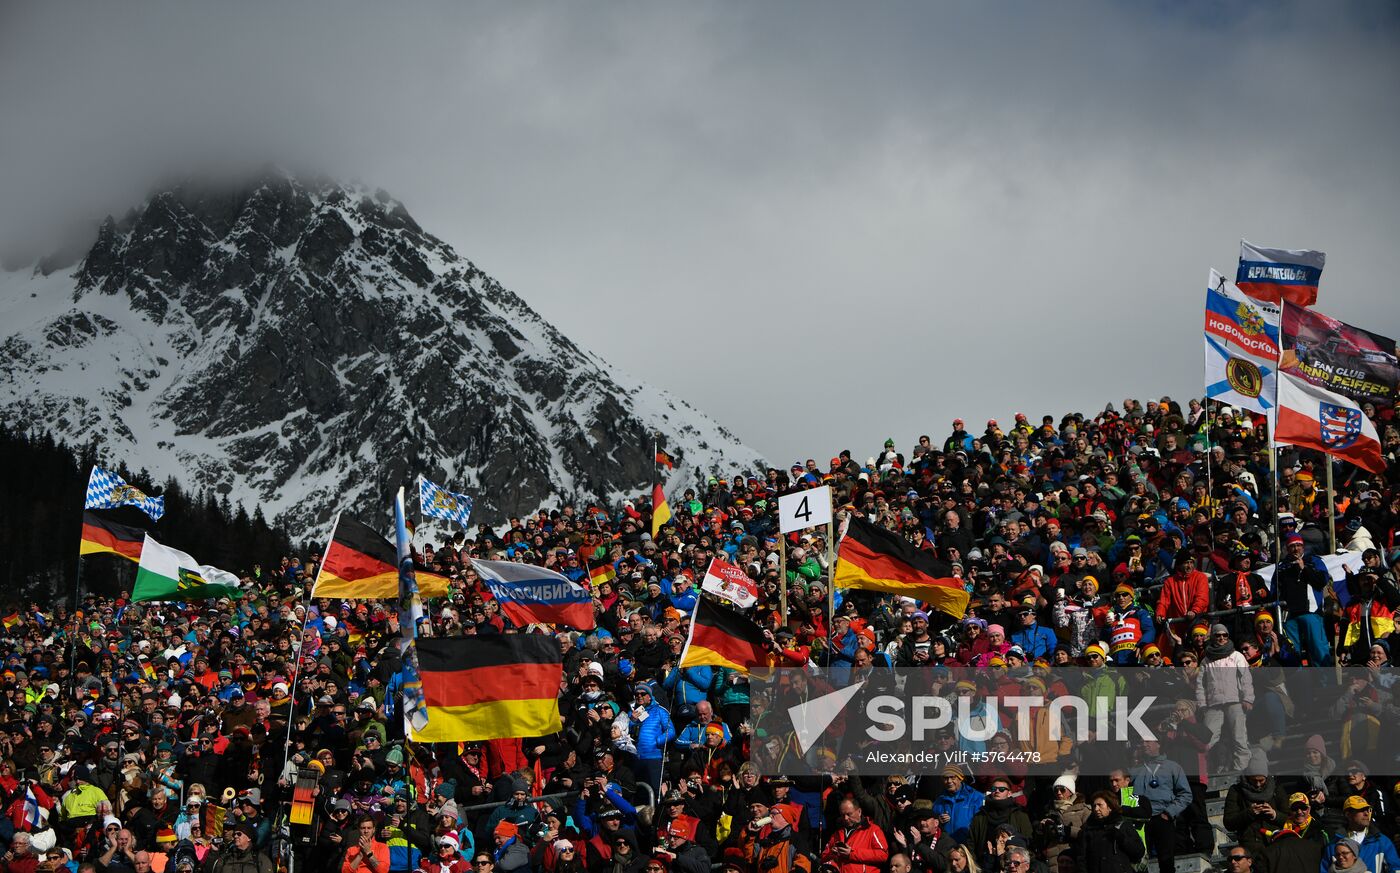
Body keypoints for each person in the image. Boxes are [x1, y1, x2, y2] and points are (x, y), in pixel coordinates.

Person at [1322, 797, 1400, 873]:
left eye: (1367, 810)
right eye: (1361, 810)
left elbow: (1396, 868)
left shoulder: (1382, 841)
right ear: (1348, 814)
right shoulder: (1333, 844)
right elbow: (1324, 869)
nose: (1366, 814)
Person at [1073, 791, 1144, 873]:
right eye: (1094, 806)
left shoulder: (1123, 825)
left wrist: (1122, 839)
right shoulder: (1088, 829)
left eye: (1100, 805)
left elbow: (1139, 852)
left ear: (1110, 807)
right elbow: (1082, 858)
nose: (1096, 809)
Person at [820, 799, 889, 873]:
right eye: (842, 815)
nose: (845, 818)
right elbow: (823, 857)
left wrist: (851, 854)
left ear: (859, 812)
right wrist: (832, 854)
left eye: (849, 814)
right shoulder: (837, 833)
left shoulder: (873, 830)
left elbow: (883, 854)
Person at [209, 824, 274, 873]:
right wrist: (214, 852)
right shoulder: (225, 858)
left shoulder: (260, 858)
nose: (235, 836)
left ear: (249, 838)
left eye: (239, 834)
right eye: (234, 834)